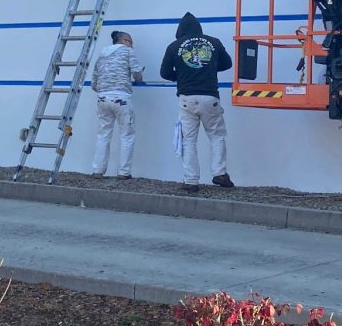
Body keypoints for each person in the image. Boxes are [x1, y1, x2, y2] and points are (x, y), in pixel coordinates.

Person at [160, 13, 234, 193]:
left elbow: (165, 73)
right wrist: (209, 68)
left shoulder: (174, 46)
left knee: (188, 140)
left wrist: (181, 75)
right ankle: (220, 173)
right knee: (216, 136)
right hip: (210, 97)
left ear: (180, 30)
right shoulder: (214, 42)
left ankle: (191, 181)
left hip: (187, 99)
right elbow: (227, 64)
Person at [90, 29, 144, 178]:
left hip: (102, 98)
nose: (132, 45)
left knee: (103, 135)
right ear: (124, 41)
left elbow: (94, 83)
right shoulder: (127, 51)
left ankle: (98, 170)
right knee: (127, 135)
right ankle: (123, 172)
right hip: (122, 98)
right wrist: (139, 77)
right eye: (131, 42)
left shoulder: (102, 55)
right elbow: (137, 74)